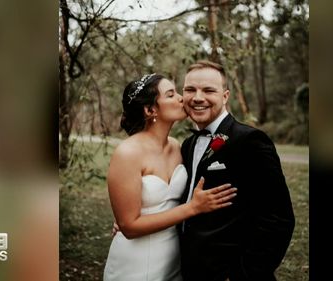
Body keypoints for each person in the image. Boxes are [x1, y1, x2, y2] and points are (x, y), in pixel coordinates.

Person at [103, 73, 237, 281]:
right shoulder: (127, 153)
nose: (181, 98)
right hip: (136, 261)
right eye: (170, 94)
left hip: (174, 259)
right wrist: (192, 208)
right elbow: (129, 227)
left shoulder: (177, 147)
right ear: (150, 110)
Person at [179, 60, 295, 281]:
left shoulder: (250, 141)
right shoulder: (188, 145)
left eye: (208, 90)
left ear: (225, 96)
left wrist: (243, 274)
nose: (197, 97)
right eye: (190, 89)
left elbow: (279, 219)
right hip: (191, 271)